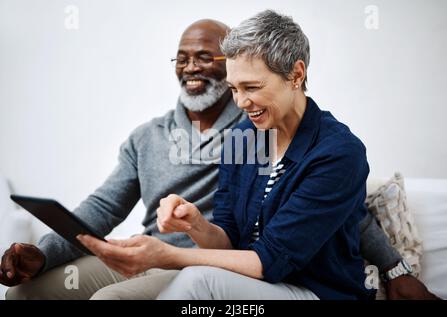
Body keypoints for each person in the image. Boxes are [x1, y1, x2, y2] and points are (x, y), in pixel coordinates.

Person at [0, 17, 438, 300]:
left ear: (296, 75)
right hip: (195, 265)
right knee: (27, 294)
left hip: (284, 283)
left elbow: (306, 235)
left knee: (158, 291)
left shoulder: (324, 146)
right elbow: (224, 234)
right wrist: (195, 224)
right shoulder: (242, 135)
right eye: (236, 88)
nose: (241, 101)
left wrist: (394, 266)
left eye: (251, 86)